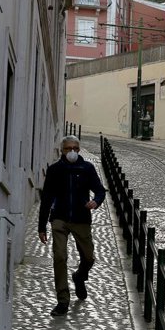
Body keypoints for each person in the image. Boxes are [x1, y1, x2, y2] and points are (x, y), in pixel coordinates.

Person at [38, 135, 106, 316]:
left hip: (81, 219)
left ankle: (79, 277)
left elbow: (100, 190)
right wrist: (42, 226)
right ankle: (63, 300)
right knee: (59, 257)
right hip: (59, 218)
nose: (72, 152)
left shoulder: (87, 168)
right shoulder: (55, 170)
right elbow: (46, 199)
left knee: (89, 258)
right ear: (62, 150)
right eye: (68, 148)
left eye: (75, 148)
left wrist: (95, 202)